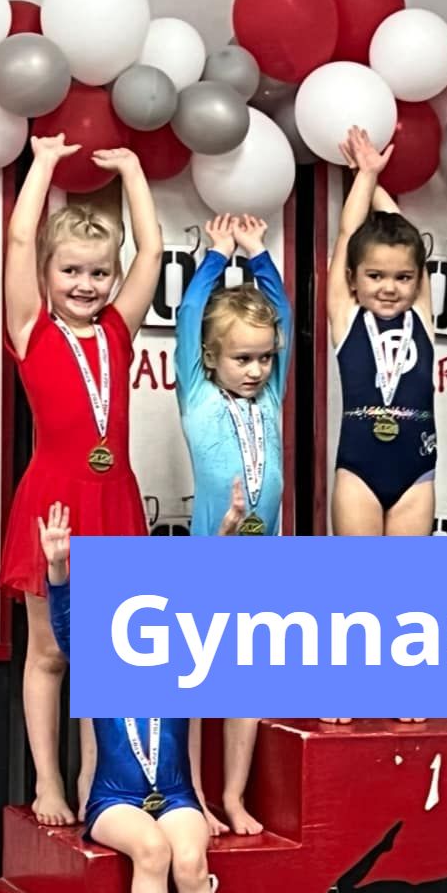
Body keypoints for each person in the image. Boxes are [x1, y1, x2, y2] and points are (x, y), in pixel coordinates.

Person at [0, 134, 162, 826]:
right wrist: (41, 165)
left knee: (106, 657)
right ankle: (48, 781)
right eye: (71, 270)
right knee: (51, 651)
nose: (87, 284)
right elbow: (14, 241)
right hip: (56, 505)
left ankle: (101, 777)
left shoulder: (117, 332)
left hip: (114, 501)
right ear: (48, 271)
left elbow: (151, 253)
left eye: (99, 273)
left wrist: (131, 172)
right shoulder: (32, 326)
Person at [40, 497, 244, 893]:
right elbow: (66, 624)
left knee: (191, 862)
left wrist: (227, 529)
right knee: (151, 851)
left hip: (175, 795)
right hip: (115, 799)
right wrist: (57, 570)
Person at [174, 212, 294, 836]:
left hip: (263, 556)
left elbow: (286, 321)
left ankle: (235, 795)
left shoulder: (271, 396)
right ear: (211, 359)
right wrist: (217, 258)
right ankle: (192, 793)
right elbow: (190, 317)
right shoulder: (196, 392)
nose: (255, 370)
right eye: (242, 358)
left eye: (264, 359)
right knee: (199, 685)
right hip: (206, 554)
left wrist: (263, 255)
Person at [327, 126, 436, 537]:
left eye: (403, 277)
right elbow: (347, 235)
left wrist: (374, 183)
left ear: (417, 278)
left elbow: (410, 241)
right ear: (353, 278)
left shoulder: (421, 314)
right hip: (359, 471)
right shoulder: (346, 313)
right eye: (375, 275)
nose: (390, 287)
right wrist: (366, 177)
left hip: (417, 472)